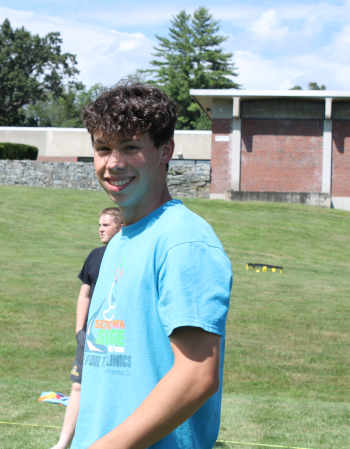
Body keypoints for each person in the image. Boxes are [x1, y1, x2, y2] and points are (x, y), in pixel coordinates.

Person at [71, 81, 233, 449]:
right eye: (103, 148)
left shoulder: (183, 240)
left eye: (130, 147)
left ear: (166, 149)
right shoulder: (119, 242)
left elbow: (197, 375)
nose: (113, 163)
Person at [51, 207, 123, 449]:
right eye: (99, 225)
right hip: (91, 335)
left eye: (106, 225)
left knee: (116, 388)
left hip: (119, 335)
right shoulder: (94, 256)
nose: (100, 229)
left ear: (121, 227)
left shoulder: (129, 256)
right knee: (78, 386)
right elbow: (85, 295)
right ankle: (63, 444)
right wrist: (79, 330)